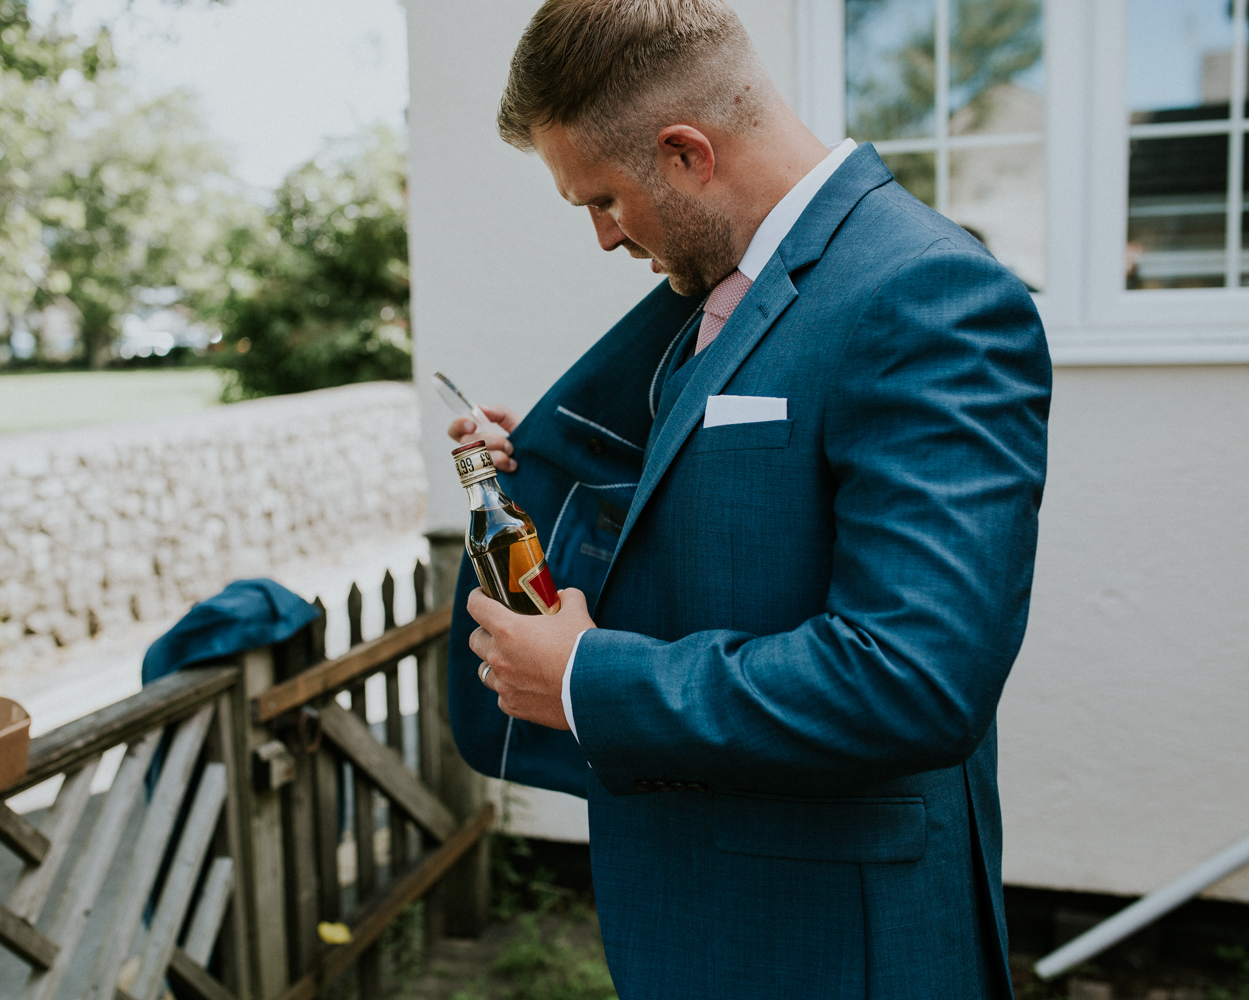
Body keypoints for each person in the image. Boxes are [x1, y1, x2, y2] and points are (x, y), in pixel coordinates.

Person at [442, 1, 1051, 997]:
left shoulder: (928, 293)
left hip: (832, 947)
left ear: (686, 152)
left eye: (601, 199)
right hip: (700, 918)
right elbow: (718, 534)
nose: (603, 238)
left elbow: (912, 677)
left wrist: (591, 678)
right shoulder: (718, 300)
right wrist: (530, 492)